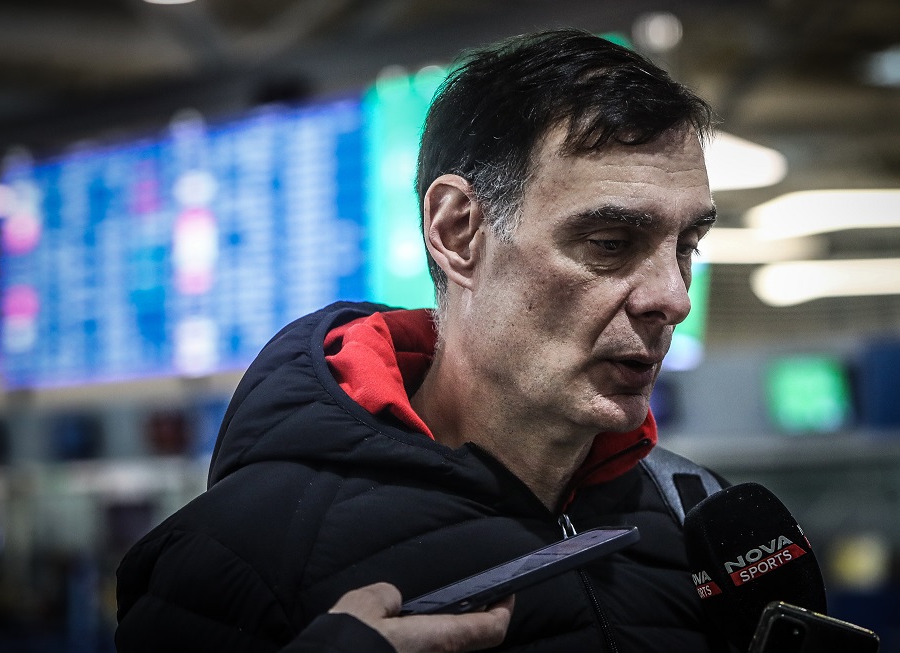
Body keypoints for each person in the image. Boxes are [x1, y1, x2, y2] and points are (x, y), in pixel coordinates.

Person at [115, 28, 726, 652]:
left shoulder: (704, 521)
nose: (674, 298)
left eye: (686, 246)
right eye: (610, 244)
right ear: (458, 232)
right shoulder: (243, 556)